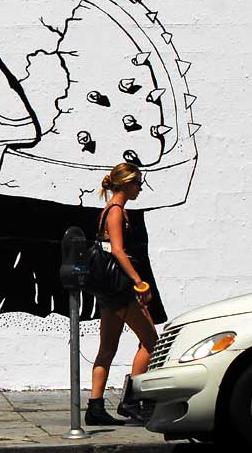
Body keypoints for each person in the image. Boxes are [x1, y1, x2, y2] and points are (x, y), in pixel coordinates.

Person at [84, 163, 160, 426]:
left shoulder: (111, 210)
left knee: (107, 349)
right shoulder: (116, 212)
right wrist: (139, 281)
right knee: (151, 342)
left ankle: (95, 408)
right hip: (120, 290)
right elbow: (117, 250)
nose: (140, 188)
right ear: (127, 183)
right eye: (138, 183)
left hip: (109, 291)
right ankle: (132, 400)